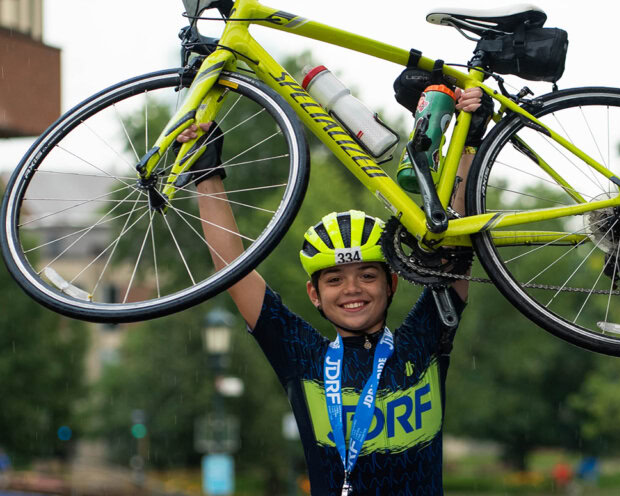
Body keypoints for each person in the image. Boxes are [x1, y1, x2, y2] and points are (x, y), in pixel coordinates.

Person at [181, 86, 490, 494]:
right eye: (334, 279)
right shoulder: (301, 354)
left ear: (391, 282)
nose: (352, 290)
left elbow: (456, 238)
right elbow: (234, 271)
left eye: (367, 275)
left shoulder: (423, 340)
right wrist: (207, 174)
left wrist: (469, 141)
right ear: (314, 294)